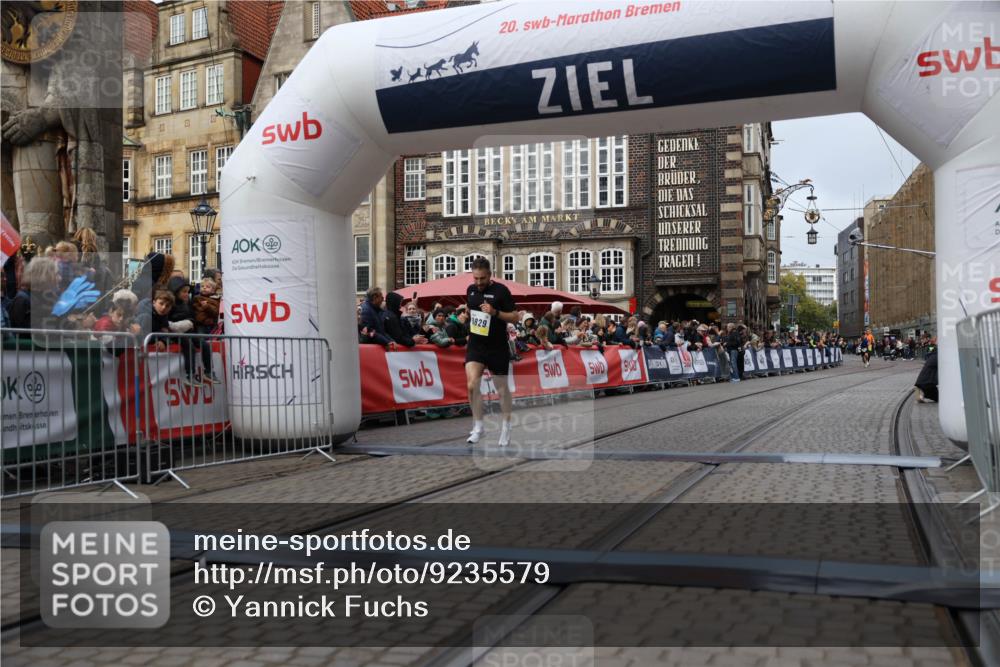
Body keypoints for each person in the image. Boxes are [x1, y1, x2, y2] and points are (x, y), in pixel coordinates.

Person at [464, 257, 521, 446]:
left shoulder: (501, 291)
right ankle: (478, 427)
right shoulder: (470, 290)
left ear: (489, 275)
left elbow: (515, 317)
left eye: (482, 278)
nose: (479, 282)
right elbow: (471, 310)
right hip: (476, 344)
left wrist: (495, 312)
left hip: (497, 346)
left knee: (502, 389)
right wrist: (466, 315)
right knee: (472, 384)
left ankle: (506, 426)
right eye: (475, 278)